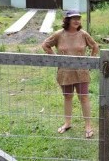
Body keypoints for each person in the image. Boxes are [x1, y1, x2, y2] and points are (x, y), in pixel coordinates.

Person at [42, 10, 99, 138]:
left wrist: (90, 62)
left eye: (78, 18)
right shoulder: (58, 34)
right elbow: (45, 45)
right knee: (67, 97)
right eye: (74, 18)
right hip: (65, 72)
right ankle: (67, 123)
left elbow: (95, 46)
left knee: (84, 97)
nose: (77, 20)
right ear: (67, 20)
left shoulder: (83, 34)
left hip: (81, 72)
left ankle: (88, 125)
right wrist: (56, 59)